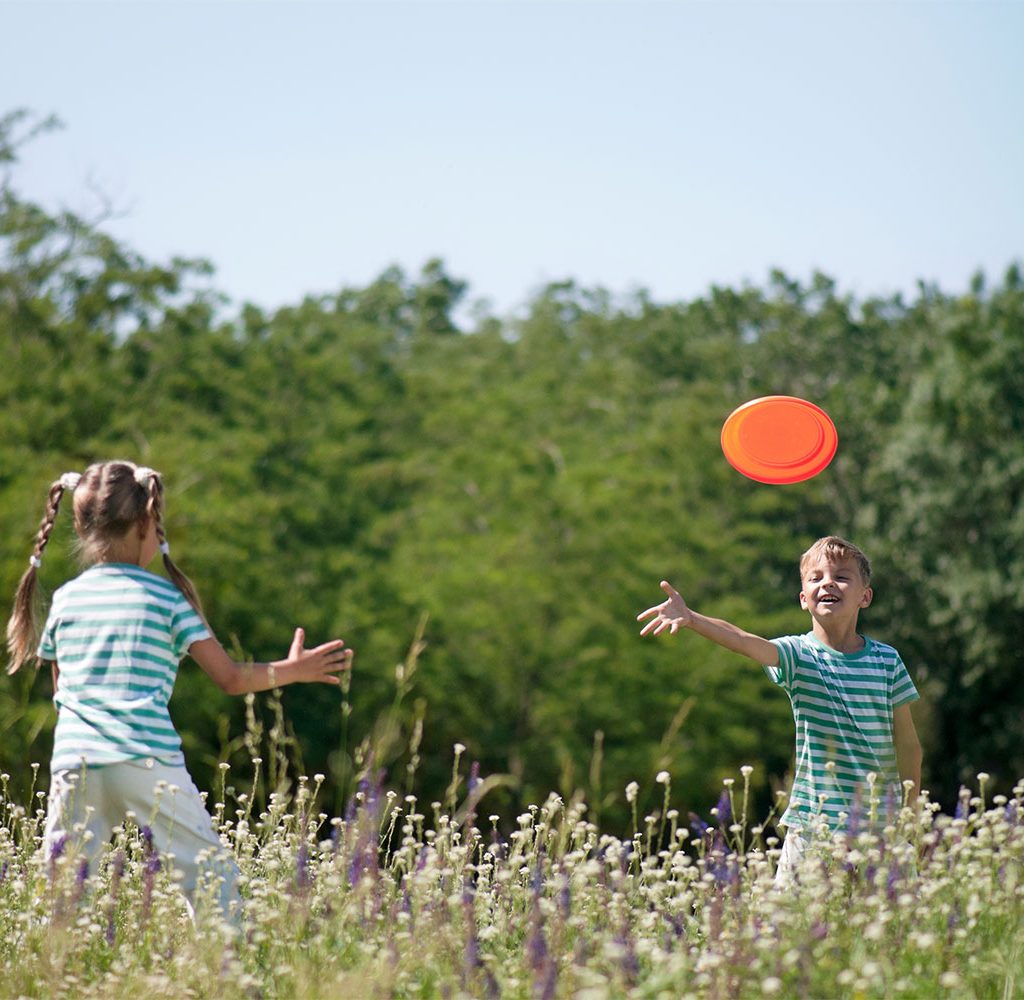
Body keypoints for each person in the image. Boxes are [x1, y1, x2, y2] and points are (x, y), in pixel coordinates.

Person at [6, 460, 354, 922]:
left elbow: (61, 692)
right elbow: (231, 678)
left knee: (64, 896)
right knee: (212, 885)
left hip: (77, 761)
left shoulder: (67, 599)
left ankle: (53, 964)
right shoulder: (167, 599)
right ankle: (223, 964)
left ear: (81, 525)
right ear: (147, 523)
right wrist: (292, 670)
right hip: (148, 760)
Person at [637, 535, 922, 885]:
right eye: (815, 578)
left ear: (865, 596)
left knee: (892, 918)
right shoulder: (798, 655)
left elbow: (908, 745)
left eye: (841, 576)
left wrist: (910, 816)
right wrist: (692, 618)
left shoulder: (887, 661)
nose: (827, 583)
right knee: (790, 919)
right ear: (803, 599)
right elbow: (743, 640)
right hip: (812, 827)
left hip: (880, 828)